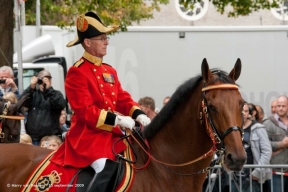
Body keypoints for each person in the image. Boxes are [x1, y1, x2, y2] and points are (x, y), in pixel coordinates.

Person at [50, 11, 151, 192]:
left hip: (112, 134)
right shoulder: (77, 72)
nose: (106, 42)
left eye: (107, 38)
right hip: (88, 137)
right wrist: (118, 120)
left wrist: (139, 114)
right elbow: (85, 111)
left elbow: (122, 98)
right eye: (101, 38)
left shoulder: (108, 70)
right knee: (106, 165)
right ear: (87, 43)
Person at [232, 102, 272, 192]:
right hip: (234, 176)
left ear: (249, 113)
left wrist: (258, 171)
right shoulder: (233, 129)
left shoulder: (258, 128)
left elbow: (267, 151)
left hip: (252, 177)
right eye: (241, 111)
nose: (243, 113)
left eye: (246, 111)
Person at [19, 70, 66, 146]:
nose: (43, 81)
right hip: (32, 138)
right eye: (41, 78)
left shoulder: (56, 93)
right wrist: (31, 87)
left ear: (50, 81)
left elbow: (60, 104)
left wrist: (49, 90)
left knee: (47, 158)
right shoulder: (33, 94)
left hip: (49, 139)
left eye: (47, 78)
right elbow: (20, 103)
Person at [263, 95, 288, 192]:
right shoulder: (268, 123)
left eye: (283, 106)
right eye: (279, 106)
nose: (281, 108)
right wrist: (281, 144)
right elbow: (265, 145)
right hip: (276, 171)